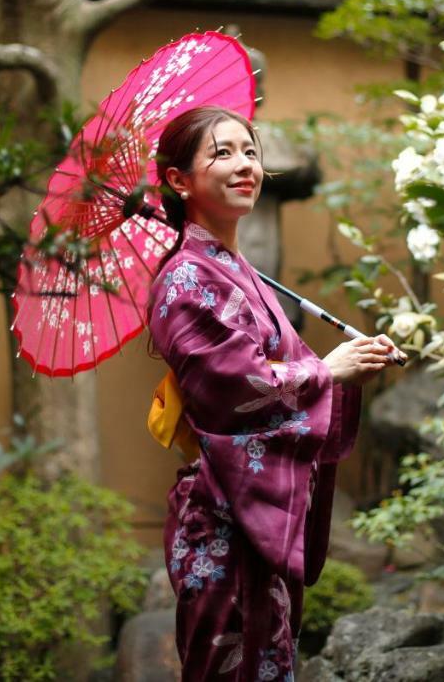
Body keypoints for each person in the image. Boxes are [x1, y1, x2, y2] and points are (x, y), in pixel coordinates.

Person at [145, 105, 396, 682]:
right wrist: (328, 373)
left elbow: (294, 366)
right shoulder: (186, 278)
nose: (244, 166)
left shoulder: (240, 273)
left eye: (250, 152)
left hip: (249, 518)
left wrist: (355, 361)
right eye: (222, 153)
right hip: (221, 520)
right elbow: (233, 387)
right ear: (178, 180)